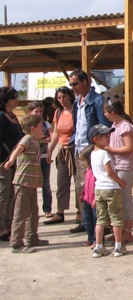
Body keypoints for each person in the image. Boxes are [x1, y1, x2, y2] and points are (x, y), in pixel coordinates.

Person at [68, 69, 111, 234]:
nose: (73, 87)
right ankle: (88, 223)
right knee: (82, 188)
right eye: (71, 84)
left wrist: (98, 149)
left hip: (91, 150)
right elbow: (77, 125)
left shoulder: (97, 101)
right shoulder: (77, 102)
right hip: (79, 149)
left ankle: (98, 224)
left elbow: (103, 127)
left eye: (75, 84)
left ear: (86, 82)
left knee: (94, 188)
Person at [4, 114, 49, 253]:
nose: (43, 129)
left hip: (31, 183)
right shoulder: (27, 139)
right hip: (23, 183)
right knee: (21, 213)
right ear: (33, 128)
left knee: (33, 212)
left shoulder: (34, 139)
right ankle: (16, 243)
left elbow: (45, 138)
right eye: (41, 127)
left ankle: (32, 238)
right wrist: (11, 161)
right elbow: (19, 148)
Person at [103, 98, 133, 243]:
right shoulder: (116, 125)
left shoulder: (125, 127)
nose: (105, 115)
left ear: (112, 113)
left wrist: (110, 149)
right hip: (118, 165)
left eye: (106, 112)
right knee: (119, 199)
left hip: (126, 166)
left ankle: (127, 232)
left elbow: (129, 147)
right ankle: (122, 231)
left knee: (125, 199)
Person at [89, 124, 127, 258]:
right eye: (104, 136)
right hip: (111, 188)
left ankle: (99, 246)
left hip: (99, 189)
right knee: (116, 218)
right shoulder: (104, 154)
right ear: (95, 139)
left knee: (101, 219)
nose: (108, 137)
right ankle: (118, 246)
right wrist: (120, 181)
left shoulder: (92, 154)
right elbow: (110, 172)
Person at [44, 86, 76, 225]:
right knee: (61, 182)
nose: (62, 100)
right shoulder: (58, 112)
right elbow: (56, 133)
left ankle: (80, 212)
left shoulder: (76, 110)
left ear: (70, 96)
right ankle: (60, 212)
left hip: (75, 149)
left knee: (79, 182)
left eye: (64, 96)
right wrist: (50, 151)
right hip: (62, 150)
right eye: (59, 97)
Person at [0, 86, 24, 241]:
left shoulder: (13, 116)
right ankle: (0, 227)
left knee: (10, 194)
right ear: (5, 100)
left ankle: (8, 226)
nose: (17, 99)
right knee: (2, 194)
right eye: (14, 97)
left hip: (14, 160)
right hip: (3, 161)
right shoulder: (1, 116)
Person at [28, 101, 53, 218]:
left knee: (45, 184)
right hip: (32, 158)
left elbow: (51, 137)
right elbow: (26, 140)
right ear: (30, 112)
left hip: (44, 156)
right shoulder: (28, 125)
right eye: (36, 111)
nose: (39, 114)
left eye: (40, 111)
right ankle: (31, 210)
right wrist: (40, 140)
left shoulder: (45, 124)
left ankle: (47, 208)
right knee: (31, 185)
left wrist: (41, 140)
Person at [79, 145, 97, 248]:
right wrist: (82, 194)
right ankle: (90, 237)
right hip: (87, 200)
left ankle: (96, 239)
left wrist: (95, 198)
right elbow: (86, 184)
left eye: (85, 161)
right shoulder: (88, 171)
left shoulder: (96, 172)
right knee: (86, 220)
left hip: (94, 201)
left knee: (96, 220)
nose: (84, 163)